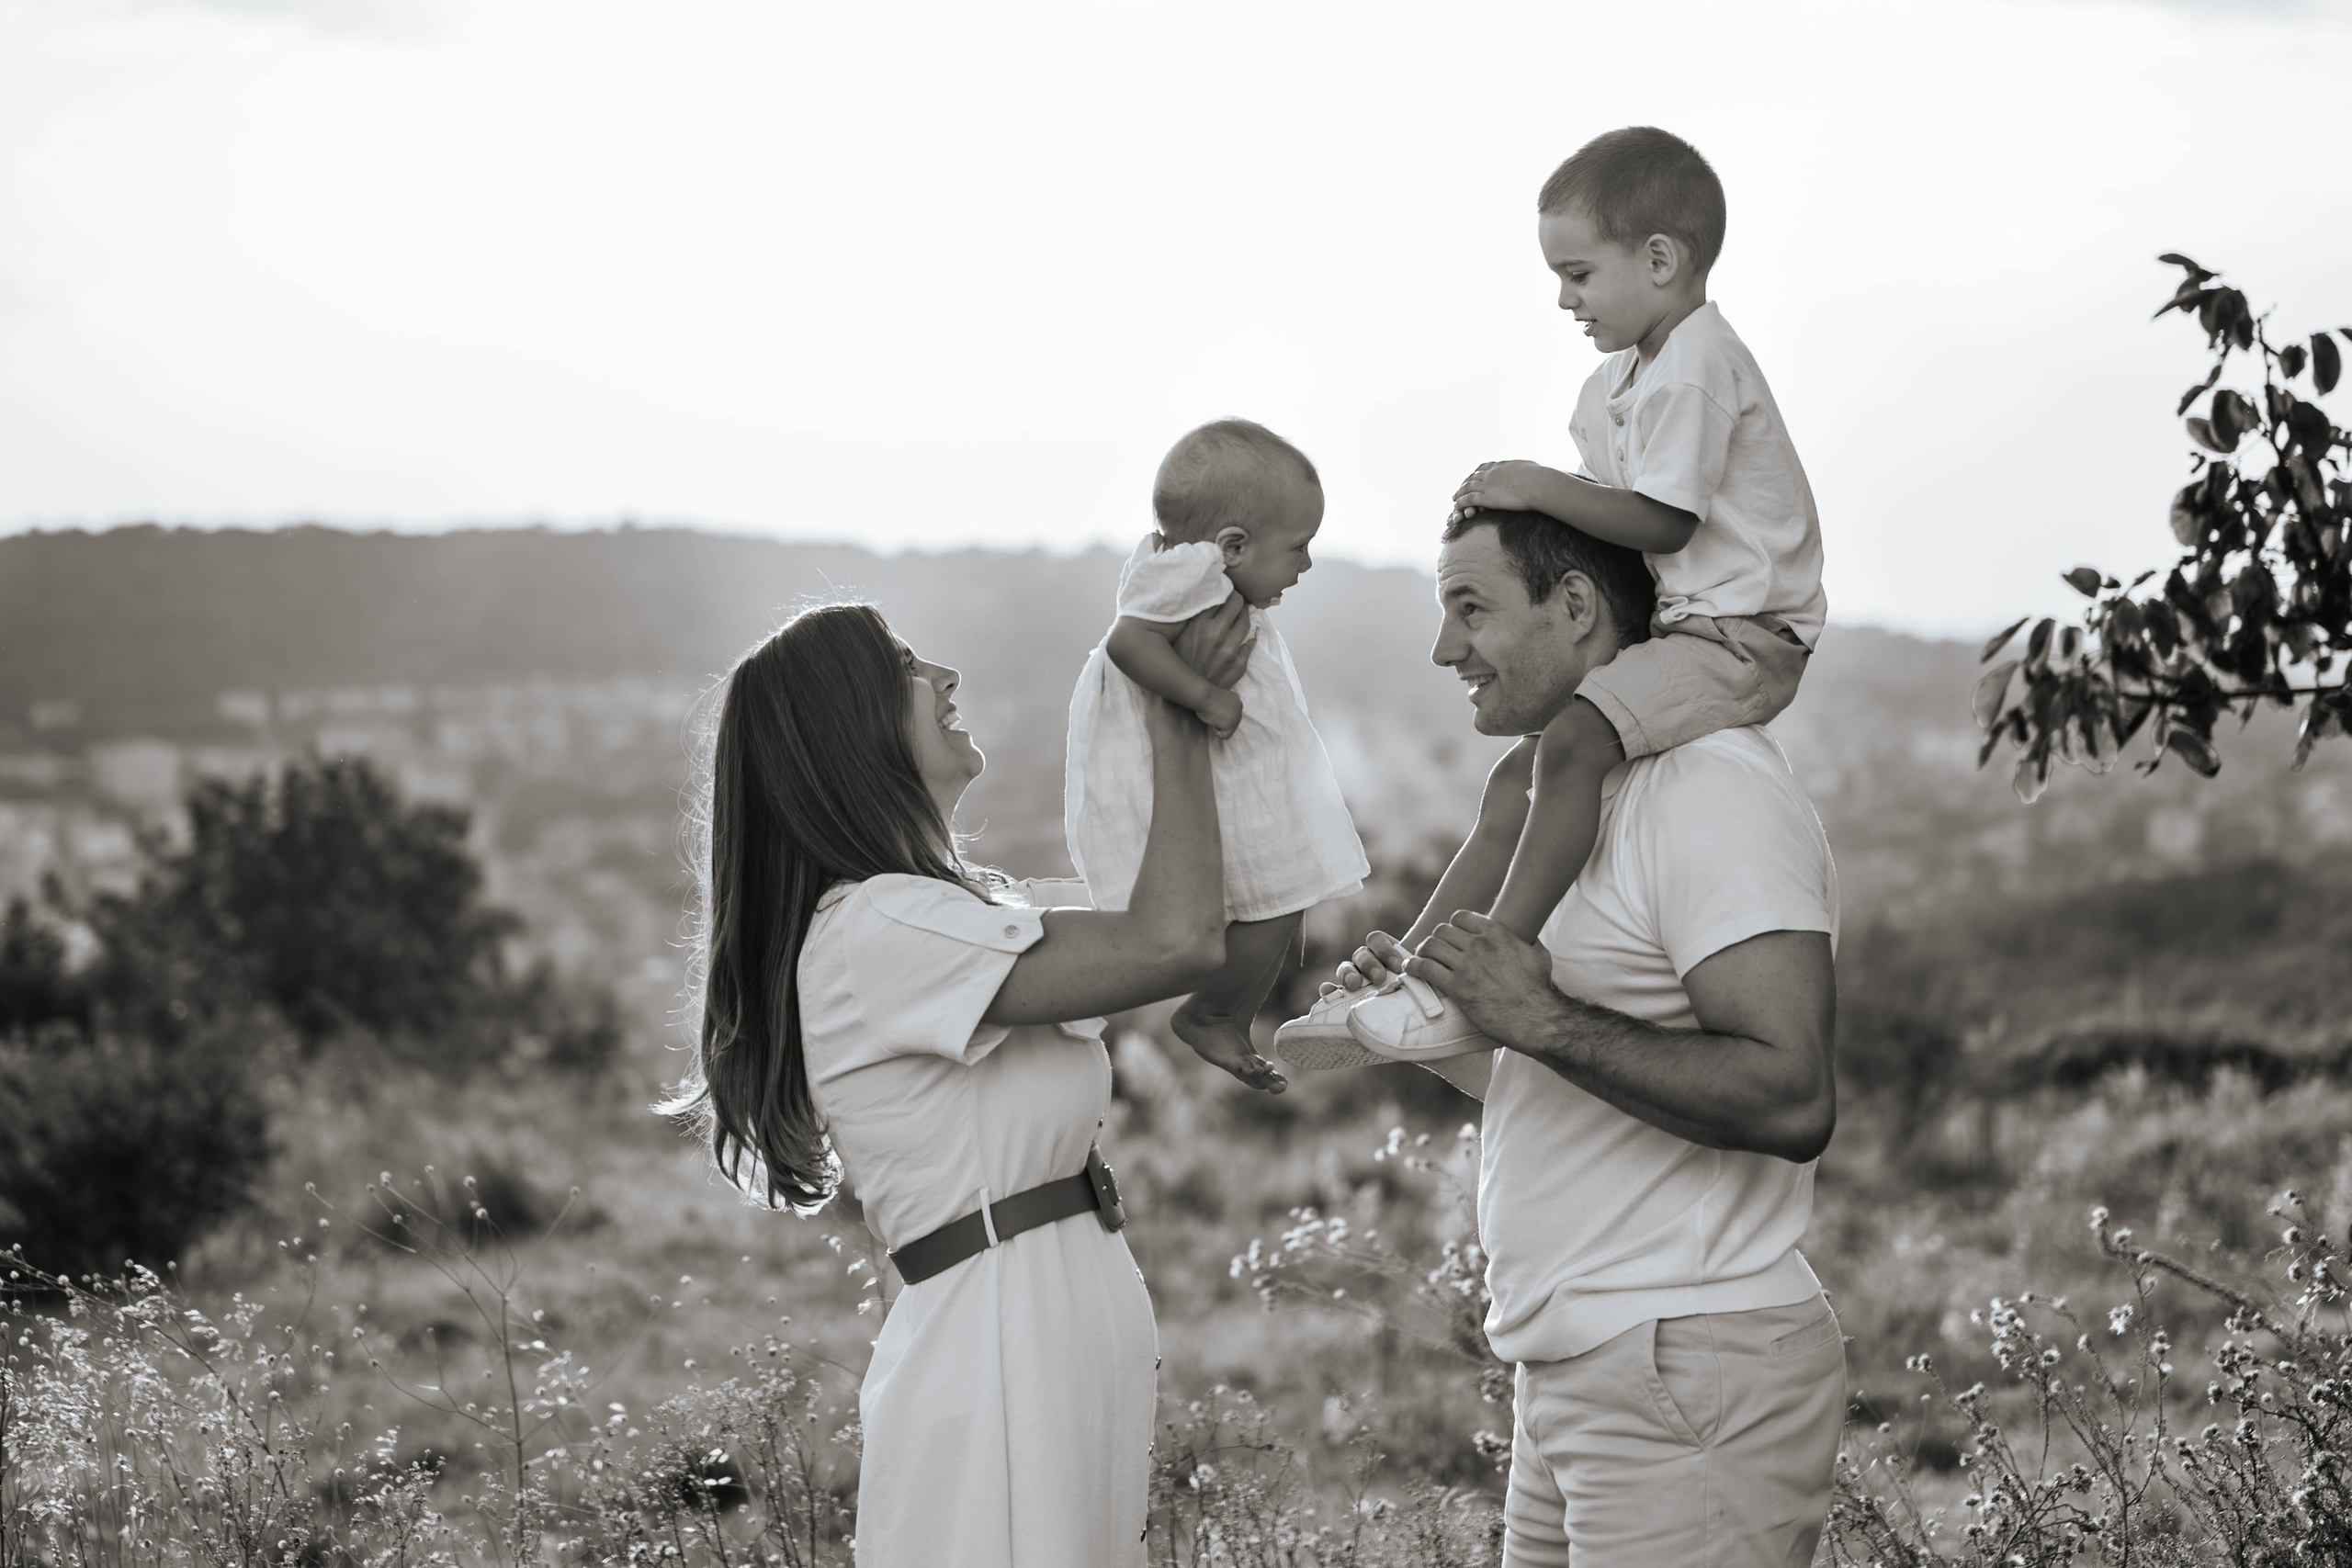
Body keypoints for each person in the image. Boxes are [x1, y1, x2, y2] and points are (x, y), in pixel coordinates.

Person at [662, 597, 1256, 1568]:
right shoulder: (881, 925)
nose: (943, 676)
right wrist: (1176, 708)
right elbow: (1175, 939)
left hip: (1045, 1327)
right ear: (846, 729)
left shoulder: (946, 913)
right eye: (903, 663)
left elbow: (1180, 912)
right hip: (999, 1348)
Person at [1330, 511, 1847, 1565]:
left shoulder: (1706, 789)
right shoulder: (1553, 817)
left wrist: (1544, 1018)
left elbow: (1792, 1097)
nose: (1444, 649)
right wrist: (1438, 1018)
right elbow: (1558, 1072)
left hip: (1687, 1363)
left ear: (1574, 608)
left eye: (1470, 609)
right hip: (1574, 1370)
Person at [1335, 126, 1827, 1061]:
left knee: (1566, 745)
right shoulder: (1628, 380)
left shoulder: (1697, 368)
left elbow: (1661, 522)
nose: (1564, 299)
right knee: (1519, 773)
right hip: (1687, 626)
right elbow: (1592, 523)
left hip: (1741, 636)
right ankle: (1416, 973)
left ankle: (1492, 964)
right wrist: (1528, 502)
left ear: (1658, 258)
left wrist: (1528, 482)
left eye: (1577, 274)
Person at [1066, 418, 1368, 1092]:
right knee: (1286, 889)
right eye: (1299, 546)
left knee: (1287, 892)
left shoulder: (1200, 571)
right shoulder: (1184, 573)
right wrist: (1203, 694)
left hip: (1234, 761)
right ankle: (1213, 1011)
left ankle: (1223, 1005)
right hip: (1213, 756)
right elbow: (1127, 643)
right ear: (1232, 546)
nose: (1308, 563)